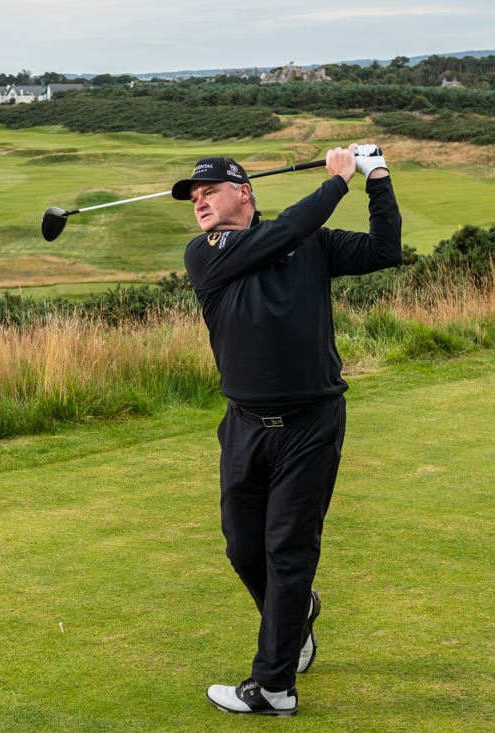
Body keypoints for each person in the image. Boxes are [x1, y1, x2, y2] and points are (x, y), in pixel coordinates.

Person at [173, 145, 401, 716]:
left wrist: (377, 177)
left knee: (288, 551)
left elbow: (384, 249)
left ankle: (273, 685)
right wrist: (336, 181)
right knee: (243, 548)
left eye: (209, 193)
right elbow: (286, 230)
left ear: (244, 192)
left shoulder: (312, 245)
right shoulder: (205, 255)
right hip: (244, 426)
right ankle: (295, 617)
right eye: (193, 198)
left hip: (311, 423)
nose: (199, 204)